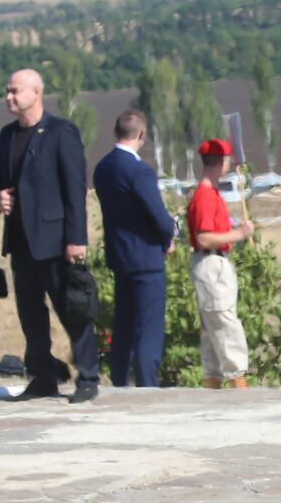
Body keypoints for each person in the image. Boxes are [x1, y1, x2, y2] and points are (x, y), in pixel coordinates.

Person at [0, 68, 100, 403]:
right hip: (22, 240)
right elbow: (1, 180)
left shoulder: (60, 132)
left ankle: (88, 376)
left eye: (15, 91)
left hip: (55, 241)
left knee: (71, 309)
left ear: (36, 93)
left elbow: (75, 189)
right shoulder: (7, 135)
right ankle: (42, 376)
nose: (9, 97)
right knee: (30, 312)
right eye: (7, 91)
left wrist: (76, 239)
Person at [92, 110, 175, 388]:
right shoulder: (139, 171)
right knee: (148, 330)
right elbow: (158, 216)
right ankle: (147, 385)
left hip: (119, 255)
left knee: (124, 325)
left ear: (116, 132)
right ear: (142, 135)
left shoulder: (102, 168)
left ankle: (119, 382)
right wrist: (168, 237)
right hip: (146, 257)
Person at [186, 138, 253, 390]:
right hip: (211, 262)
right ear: (222, 162)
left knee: (214, 327)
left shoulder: (210, 194)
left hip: (215, 261)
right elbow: (204, 237)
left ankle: (214, 383)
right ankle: (238, 382)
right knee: (224, 322)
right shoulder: (204, 196)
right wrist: (239, 234)